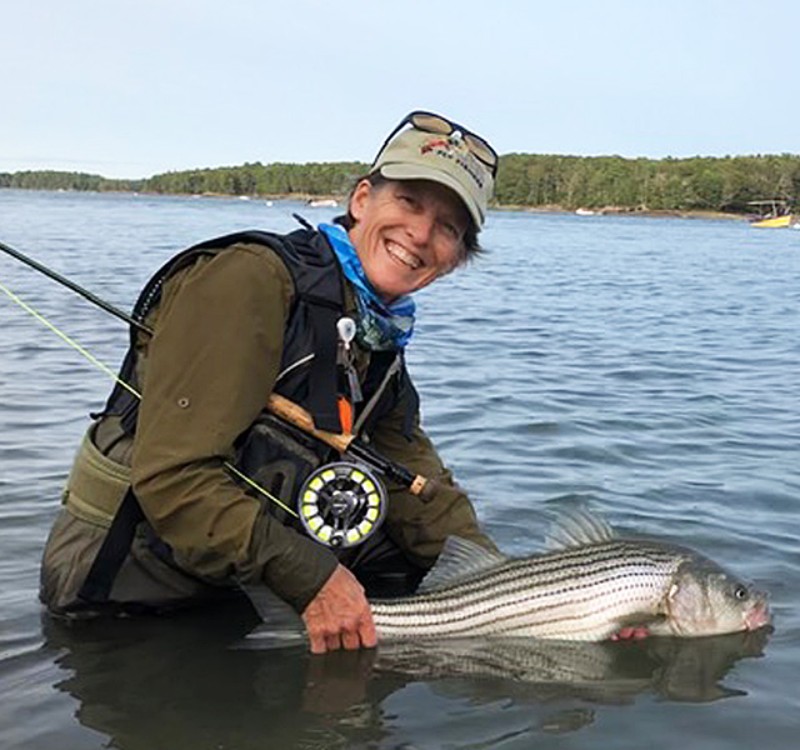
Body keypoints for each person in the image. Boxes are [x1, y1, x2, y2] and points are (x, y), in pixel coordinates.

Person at [40, 110, 499, 653]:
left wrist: (512, 584)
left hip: (232, 576)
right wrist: (313, 580)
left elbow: (415, 484)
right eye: (409, 202)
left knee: (405, 566)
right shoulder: (250, 280)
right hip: (127, 590)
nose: (421, 234)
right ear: (360, 200)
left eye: (448, 227)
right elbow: (172, 479)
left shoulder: (379, 338)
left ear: (457, 258)